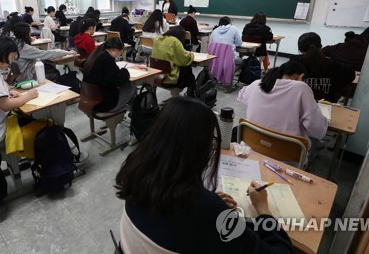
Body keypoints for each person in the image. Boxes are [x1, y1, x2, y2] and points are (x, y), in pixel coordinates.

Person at [115, 97, 294, 254]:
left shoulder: (136, 172)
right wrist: (263, 210)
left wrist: (208, 204)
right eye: (211, 140)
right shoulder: (206, 210)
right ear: (199, 146)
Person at [237, 60, 329, 146]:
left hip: (252, 147)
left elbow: (241, 95)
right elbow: (318, 131)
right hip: (286, 157)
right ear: (301, 77)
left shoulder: (257, 84)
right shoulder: (301, 88)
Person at [291, 32, 355, 102]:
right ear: (320, 46)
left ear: (300, 49)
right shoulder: (334, 65)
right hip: (325, 107)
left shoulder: (292, 64)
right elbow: (350, 75)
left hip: (297, 103)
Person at [83, 37, 136, 113]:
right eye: (120, 52)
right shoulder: (106, 59)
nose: (120, 54)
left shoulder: (95, 54)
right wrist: (125, 71)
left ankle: (132, 113)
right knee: (132, 86)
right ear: (114, 49)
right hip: (103, 104)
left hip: (89, 99)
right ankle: (135, 115)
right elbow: (119, 81)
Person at [208, 16, 243, 92]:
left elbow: (210, 45)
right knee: (240, 62)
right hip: (228, 59)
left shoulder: (215, 30)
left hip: (215, 60)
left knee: (222, 61)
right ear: (230, 22)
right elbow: (239, 43)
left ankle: (218, 77)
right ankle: (227, 82)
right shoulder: (233, 29)